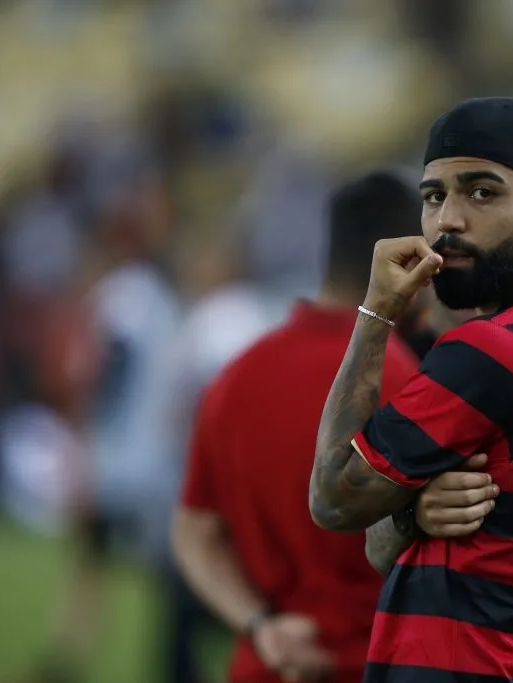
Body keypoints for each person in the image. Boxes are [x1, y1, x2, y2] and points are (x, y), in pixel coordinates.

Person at [308, 97, 513, 682]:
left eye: (482, 193)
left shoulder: (494, 348)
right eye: (434, 196)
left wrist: (376, 312)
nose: (447, 222)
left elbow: (334, 498)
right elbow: (385, 544)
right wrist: (412, 514)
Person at [171, 170, 422, 683]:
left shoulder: (236, 378)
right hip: (379, 668)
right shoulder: (409, 382)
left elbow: (193, 530)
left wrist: (262, 625)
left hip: (270, 666)